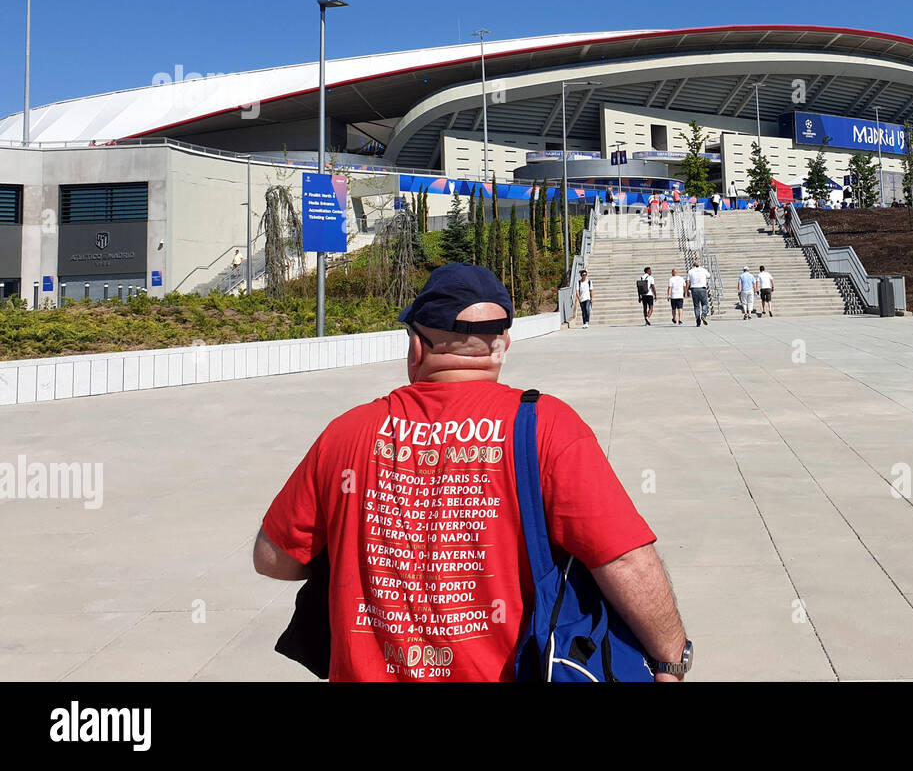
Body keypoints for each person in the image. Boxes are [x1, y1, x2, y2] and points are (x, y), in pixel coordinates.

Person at [254, 263, 690, 682]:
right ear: (501, 347)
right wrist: (672, 659)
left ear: (416, 346)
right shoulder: (545, 428)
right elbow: (624, 559)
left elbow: (273, 558)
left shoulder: (349, 433)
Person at [686, 259, 711, 326]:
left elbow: (688, 281)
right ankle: (703, 314)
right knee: (704, 304)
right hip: (702, 288)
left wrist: (686, 291)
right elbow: (709, 276)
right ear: (699, 264)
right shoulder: (703, 270)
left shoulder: (690, 271)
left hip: (694, 289)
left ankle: (698, 320)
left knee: (696, 306)